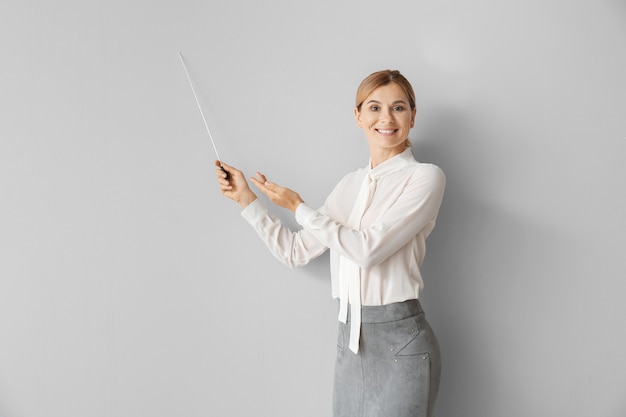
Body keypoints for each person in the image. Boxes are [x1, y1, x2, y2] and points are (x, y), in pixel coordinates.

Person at [215, 70, 445, 417]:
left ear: (413, 116)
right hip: (349, 342)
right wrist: (247, 200)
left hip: (403, 342)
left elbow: (367, 250)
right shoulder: (348, 186)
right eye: (374, 107)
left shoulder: (425, 177)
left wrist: (298, 207)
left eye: (398, 107)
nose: (386, 118)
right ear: (358, 116)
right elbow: (294, 252)